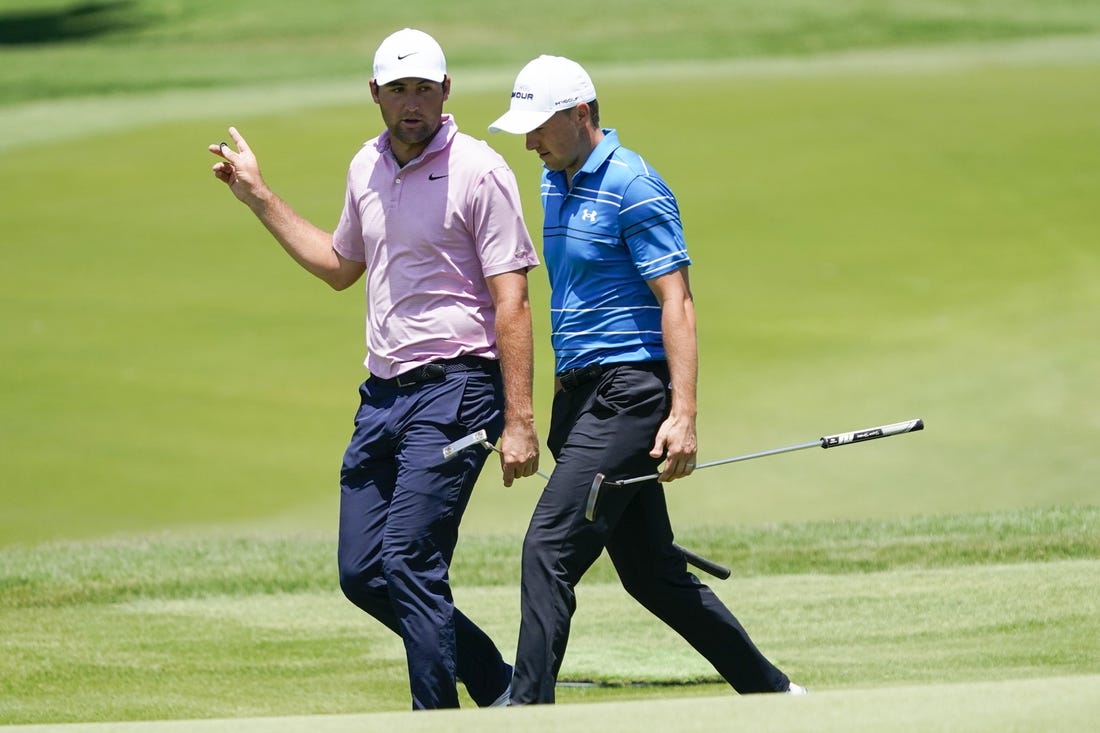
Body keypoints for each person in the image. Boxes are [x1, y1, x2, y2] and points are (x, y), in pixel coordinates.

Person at [208, 28, 541, 710]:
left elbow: (512, 300)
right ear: (375, 95)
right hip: (382, 396)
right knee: (363, 571)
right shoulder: (366, 165)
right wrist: (259, 197)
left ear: (447, 93)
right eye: (398, 90)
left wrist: (521, 418)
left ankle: (436, 718)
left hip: (458, 388)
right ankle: (500, 682)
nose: (411, 103)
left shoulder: (481, 170)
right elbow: (340, 267)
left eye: (424, 89)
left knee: (410, 561)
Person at [488, 55, 806, 703]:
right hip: (582, 400)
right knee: (650, 572)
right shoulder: (556, 181)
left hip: (629, 395)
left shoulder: (635, 185)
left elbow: (677, 302)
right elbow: (573, 301)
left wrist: (682, 414)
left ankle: (525, 710)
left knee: (548, 548)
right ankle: (771, 692)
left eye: (539, 126)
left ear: (582, 115)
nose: (528, 142)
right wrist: (556, 404)